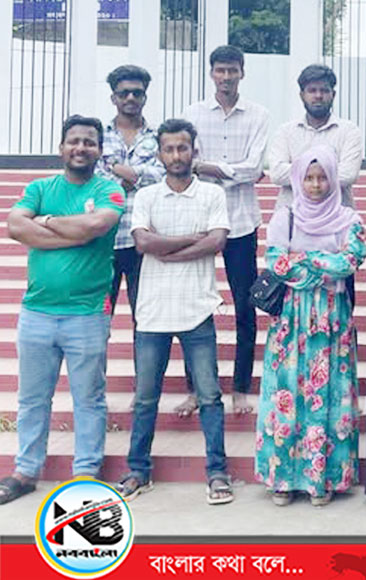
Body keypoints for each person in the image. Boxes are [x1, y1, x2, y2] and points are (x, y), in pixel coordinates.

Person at [0, 115, 124, 505]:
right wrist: (74, 232)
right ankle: (25, 471)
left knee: (89, 399)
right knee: (32, 399)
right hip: (36, 312)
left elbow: (96, 226)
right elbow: (16, 226)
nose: (81, 148)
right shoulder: (39, 187)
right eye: (74, 141)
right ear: (61, 148)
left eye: (89, 142)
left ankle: (85, 473)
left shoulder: (109, 189)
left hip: (87, 313)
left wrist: (47, 222)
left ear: (99, 150)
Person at [114, 119, 232, 505]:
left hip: (197, 308)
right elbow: (143, 243)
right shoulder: (147, 196)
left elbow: (217, 241)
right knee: (145, 398)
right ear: (160, 153)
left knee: (210, 396)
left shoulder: (211, 193)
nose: (177, 155)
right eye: (169, 149)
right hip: (153, 311)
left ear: (194, 151)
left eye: (183, 148)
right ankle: (138, 471)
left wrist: (170, 249)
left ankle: (217, 473)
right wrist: (190, 240)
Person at [256, 146, 366, 508]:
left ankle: (323, 479)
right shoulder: (284, 217)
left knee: (329, 391)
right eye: (309, 178)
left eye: (322, 178)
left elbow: (350, 261)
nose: (316, 185)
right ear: (298, 180)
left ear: (333, 179)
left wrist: (302, 260)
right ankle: (283, 479)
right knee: (286, 392)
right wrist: (322, 264)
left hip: (331, 317)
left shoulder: (349, 217)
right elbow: (276, 263)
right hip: (290, 318)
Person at [182, 45, 269, 417]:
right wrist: (231, 170)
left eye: (232, 70)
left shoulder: (259, 115)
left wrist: (208, 167)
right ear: (211, 73)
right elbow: (187, 161)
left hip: (241, 220)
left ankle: (239, 388)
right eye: (220, 70)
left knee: (245, 305)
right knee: (192, 304)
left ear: (242, 72)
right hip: (198, 218)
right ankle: (194, 388)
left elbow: (255, 168)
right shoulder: (193, 114)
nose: (226, 77)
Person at [97, 65, 165, 317]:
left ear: (145, 97)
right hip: (105, 240)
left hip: (144, 239)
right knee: (99, 317)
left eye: (137, 93)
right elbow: (96, 181)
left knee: (146, 318)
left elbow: (161, 176)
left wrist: (116, 168)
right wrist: (137, 177)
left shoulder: (159, 136)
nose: (130, 98)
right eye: (123, 93)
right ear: (113, 97)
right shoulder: (97, 136)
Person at [266, 64, 362, 210]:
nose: (318, 96)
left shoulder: (349, 131)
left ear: (333, 95)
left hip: (337, 217)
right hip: (292, 217)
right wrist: (327, 172)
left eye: (324, 90)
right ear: (302, 95)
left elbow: (348, 174)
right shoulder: (285, 132)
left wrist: (298, 172)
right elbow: (277, 174)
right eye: (312, 90)